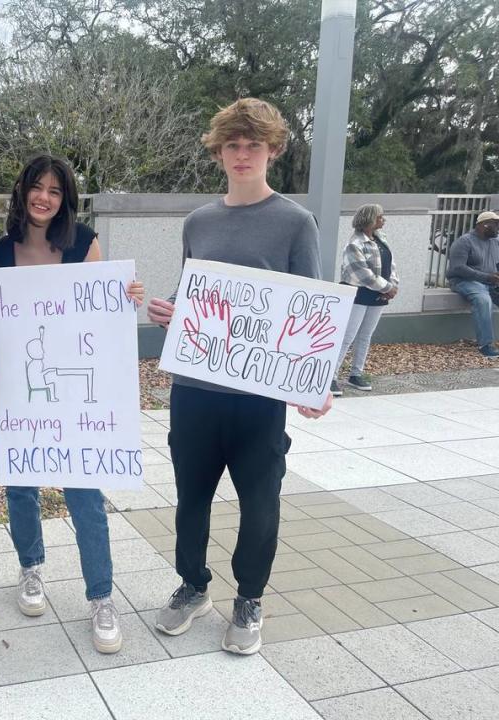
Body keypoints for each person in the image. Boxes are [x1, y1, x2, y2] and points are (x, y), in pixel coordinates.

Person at [146, 98, 332, 655]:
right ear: (219, 152)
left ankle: (249, 597)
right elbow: (195, 295)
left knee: (260, 502)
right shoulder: (198, 222)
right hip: (195, 393)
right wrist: (173, 312)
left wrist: (314, 381)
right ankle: (193, 585)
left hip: (260, 398)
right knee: (190, 499)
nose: (243, 154)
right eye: (233, 145)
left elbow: (309, 312)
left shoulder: (297, 223)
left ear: (273, 150)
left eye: (254, 145)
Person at [0, 154, 144, 654]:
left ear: (65, 200)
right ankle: (31, 567)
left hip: (78, 396)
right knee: (21, 487)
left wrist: (126, 297)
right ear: (22, 191)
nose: (44, 198)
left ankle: (101, 596)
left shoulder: (83, 242)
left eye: (55, 191)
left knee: (85, 496)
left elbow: (100, 313)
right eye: (37, 187)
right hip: (21, 389)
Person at [330, 204, 399, 396]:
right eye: (380, 217)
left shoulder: (380, 239)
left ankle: (356, 373)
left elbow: (391, 265)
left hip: (379, 294)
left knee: (365, 335)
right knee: (347, 336)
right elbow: (362, 273)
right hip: (358, 294)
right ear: (369, 219)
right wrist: (387, 287)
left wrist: (392, 285)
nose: (383, 220)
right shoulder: (355, 244)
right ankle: (331, 377)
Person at [447, 210, 499, 358]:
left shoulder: (496, 242)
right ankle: (486, 345)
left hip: (490, 282)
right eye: (496, 224)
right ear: (484, 225)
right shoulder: (464, 242)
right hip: (465, 281)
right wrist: (487, 277)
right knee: (483, 300)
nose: (498, 228)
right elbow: (458, 268)